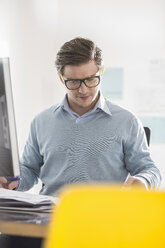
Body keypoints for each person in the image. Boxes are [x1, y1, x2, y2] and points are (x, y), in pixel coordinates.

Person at [0, 37, 162, 194]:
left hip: (104, 215)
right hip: (51, 214)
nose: (83, 90)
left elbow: (149, 169)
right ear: (61, 78)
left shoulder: (127, 121)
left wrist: (144, 180)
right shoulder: (41, 122)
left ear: (101, 72)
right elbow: (29, 169)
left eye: (91, 80)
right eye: (74, 82)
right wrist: (13, 181)